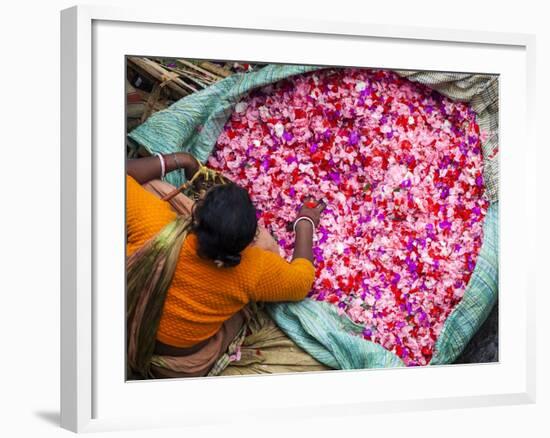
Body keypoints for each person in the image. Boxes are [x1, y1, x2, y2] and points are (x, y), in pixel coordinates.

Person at [126, 152, 325, 378]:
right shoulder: (253, 269)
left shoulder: (153, 225)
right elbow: (302, 282)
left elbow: (116, 175)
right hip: (179, 366)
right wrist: (305, 223)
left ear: (196, 218)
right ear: (246, 244)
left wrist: (182, 160)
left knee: (151, 186)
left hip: (125, 329)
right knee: (267, 244)